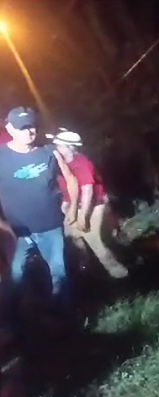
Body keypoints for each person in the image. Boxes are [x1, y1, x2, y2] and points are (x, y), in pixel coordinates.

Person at [0, 106, 80, 333]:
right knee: (14, 276)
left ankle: (62, 317)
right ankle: (9, 322)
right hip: (17, 231)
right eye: (23, 128)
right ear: (10, 129)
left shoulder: (49, 153)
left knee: (59, 271)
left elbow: (70, 178)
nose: (29, 132)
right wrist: (3, 226)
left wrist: (73, 206)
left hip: (50, 226)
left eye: (32, 126)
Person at [52, 128, 129, 279]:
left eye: (59, 145)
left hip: (93, 204)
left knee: (94, 239)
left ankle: (119, 273)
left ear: (70, 147)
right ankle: (85, 266)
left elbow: (88, 192)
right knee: (72, 236)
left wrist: (84, 217)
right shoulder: (61, 164)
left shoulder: (82, 164)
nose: (56, 148)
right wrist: (65, 204)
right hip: (74, 204)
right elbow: (66, 188)